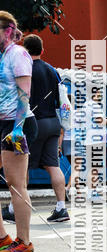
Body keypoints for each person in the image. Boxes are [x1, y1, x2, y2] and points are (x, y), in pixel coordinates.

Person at [3, 34, 69, 224]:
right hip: (53, 122)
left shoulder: (24, 68)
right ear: (42, 50)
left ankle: (15, 209)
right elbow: (61, 100)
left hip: (33, 122)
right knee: (53, 165)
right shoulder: (52, 71)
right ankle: (61, 208)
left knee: (21, 166)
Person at [0, 11, 37, 252]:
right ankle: (3, 238)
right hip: (1, 122)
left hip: (17, 124)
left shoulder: (18, 54)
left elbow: (25, 94)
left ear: (7, 30)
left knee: (16, 184)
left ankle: (24, 242)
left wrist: (17, 128)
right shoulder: (2, 56)